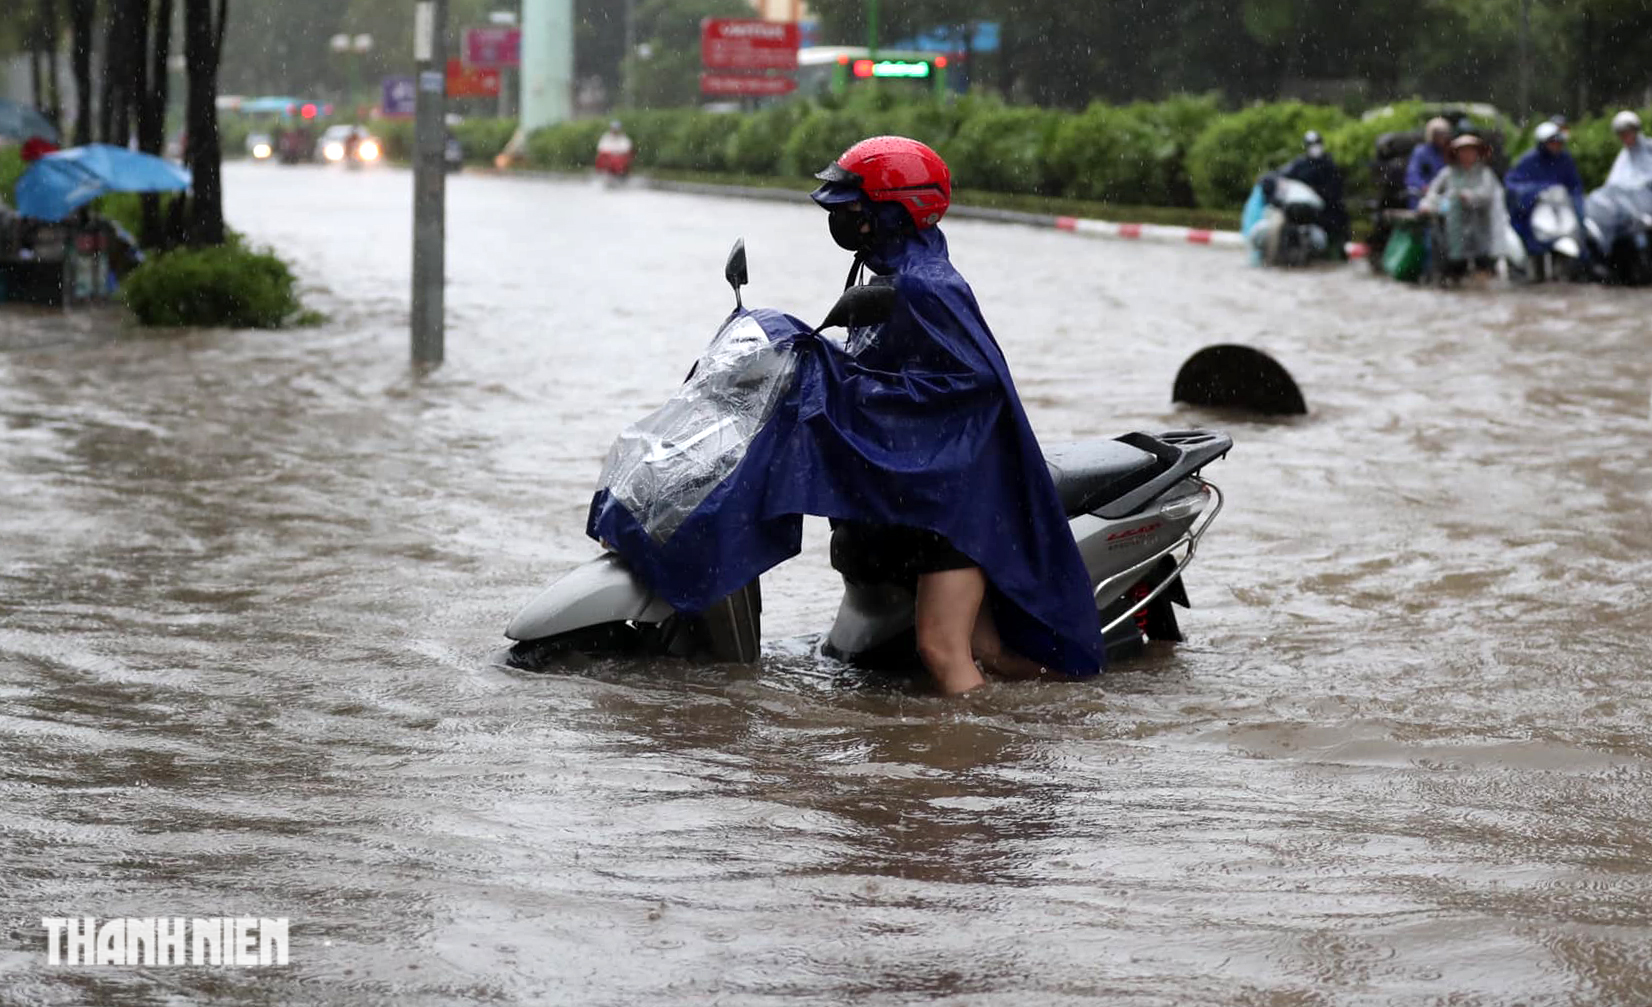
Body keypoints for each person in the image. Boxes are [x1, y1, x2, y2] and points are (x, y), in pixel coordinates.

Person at [807, 137, 1100, 692]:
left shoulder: (925, 285)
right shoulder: (892, 276)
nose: (842, 220)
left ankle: (969, 767)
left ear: (891, 211)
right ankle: (1067, 711)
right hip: (925, 488)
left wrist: (870, 398)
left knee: (941, 651)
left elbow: (975, 383)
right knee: (986, 649)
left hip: (956, 495)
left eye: (851, 210)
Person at [1420, 133, 1508, 279]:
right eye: (1463, 151)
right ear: (1456, 153)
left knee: (1483, 265)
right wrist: (1427, 205)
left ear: (1477, 153)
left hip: (1482, 225)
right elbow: (1433, 193)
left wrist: (1470, 196)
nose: (1467, 154)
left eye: (1471, 150)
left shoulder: (1485, 173)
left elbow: (1490, 194)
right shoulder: (1448, 173)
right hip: (1455, 226)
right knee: (1455, 266)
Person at [1505, 121, 1586, 258]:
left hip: (1563, 205)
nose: (1556, 145)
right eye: (1551, 142)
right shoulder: (1529, 160)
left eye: (1558, 142)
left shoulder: (1565, 159)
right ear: (1542, 143)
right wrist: (1536, 192)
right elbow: (1513, 184)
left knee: (1574, 227)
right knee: (1538, 230)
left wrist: (1571, 197)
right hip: (1537, 206)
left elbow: (1575, 185)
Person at [1280, 129, 1350, 253]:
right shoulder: (1300, 164)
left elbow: (1336, 190)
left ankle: (1334, 250)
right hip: (1301, 206)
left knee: (1337, 220)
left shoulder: (1329, 164)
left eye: (1317, 144)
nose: (1314, 148)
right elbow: (1284, 176)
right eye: (1311, 145)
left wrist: (1319, 192)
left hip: (1327, 207)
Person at [1406, 116, 1453, 207]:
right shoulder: (1421, 152)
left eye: (1444, 133)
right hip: (1423, 196)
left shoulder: (1449, 151)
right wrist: (1423, 187)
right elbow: (1412, 175)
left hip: (1445, 197)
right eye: (1438, 133)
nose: (1442, 137)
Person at [1606, 110, 1652, 189]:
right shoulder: (1624, 156)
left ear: (1635, 131)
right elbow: (1613, 182)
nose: (1624, 137)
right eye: (1621, 134)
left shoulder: (1649, 148)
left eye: (1627, 133)